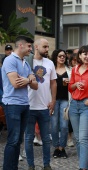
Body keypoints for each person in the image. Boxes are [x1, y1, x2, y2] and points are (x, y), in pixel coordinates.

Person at [2, 36, 38, 170]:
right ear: (21, 46)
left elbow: (35, 86)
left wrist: (28, 80)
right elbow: (15, 83)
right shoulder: (10, 60)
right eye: (29, 46)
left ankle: (14, 167)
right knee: (13, 140)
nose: (31, 49)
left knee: (18, 140)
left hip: (24, 104)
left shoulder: (26, 63)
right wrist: (29, 79)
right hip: (12, 104)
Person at [25, 38, 57, 170]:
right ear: (36, 47)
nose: (47, 49)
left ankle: (46, 164)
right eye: (44, 46)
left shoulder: (50, 63)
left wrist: (53, 100)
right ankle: (31, 165)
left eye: (48, 47)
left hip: (45, 106)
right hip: (29, 106)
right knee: (28, 138)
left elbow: (53, 83)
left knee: (46, 138)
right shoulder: (27, 62)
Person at [51, 49, 71, 158]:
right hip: (53, 100)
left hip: (65, 100)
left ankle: (62, 148)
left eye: (64, 56)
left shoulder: (69, 71)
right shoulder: (51, 69)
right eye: (60, 56)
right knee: (54, 125)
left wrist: (70, 83)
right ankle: (55, 147)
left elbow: (73, 85)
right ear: (55, 57)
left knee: (64, 125)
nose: (62, 58)